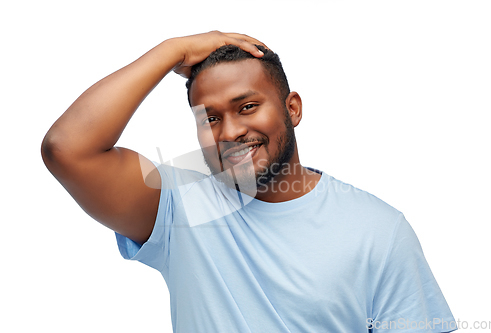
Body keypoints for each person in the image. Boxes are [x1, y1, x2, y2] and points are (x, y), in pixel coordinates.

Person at [42, 31, 456, 332]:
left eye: (248, 106)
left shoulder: (379, 230)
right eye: (210, 118)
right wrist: (173, 51)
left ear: (292, 108)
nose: (229, 132)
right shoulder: (178, 208)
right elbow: (67, 149)